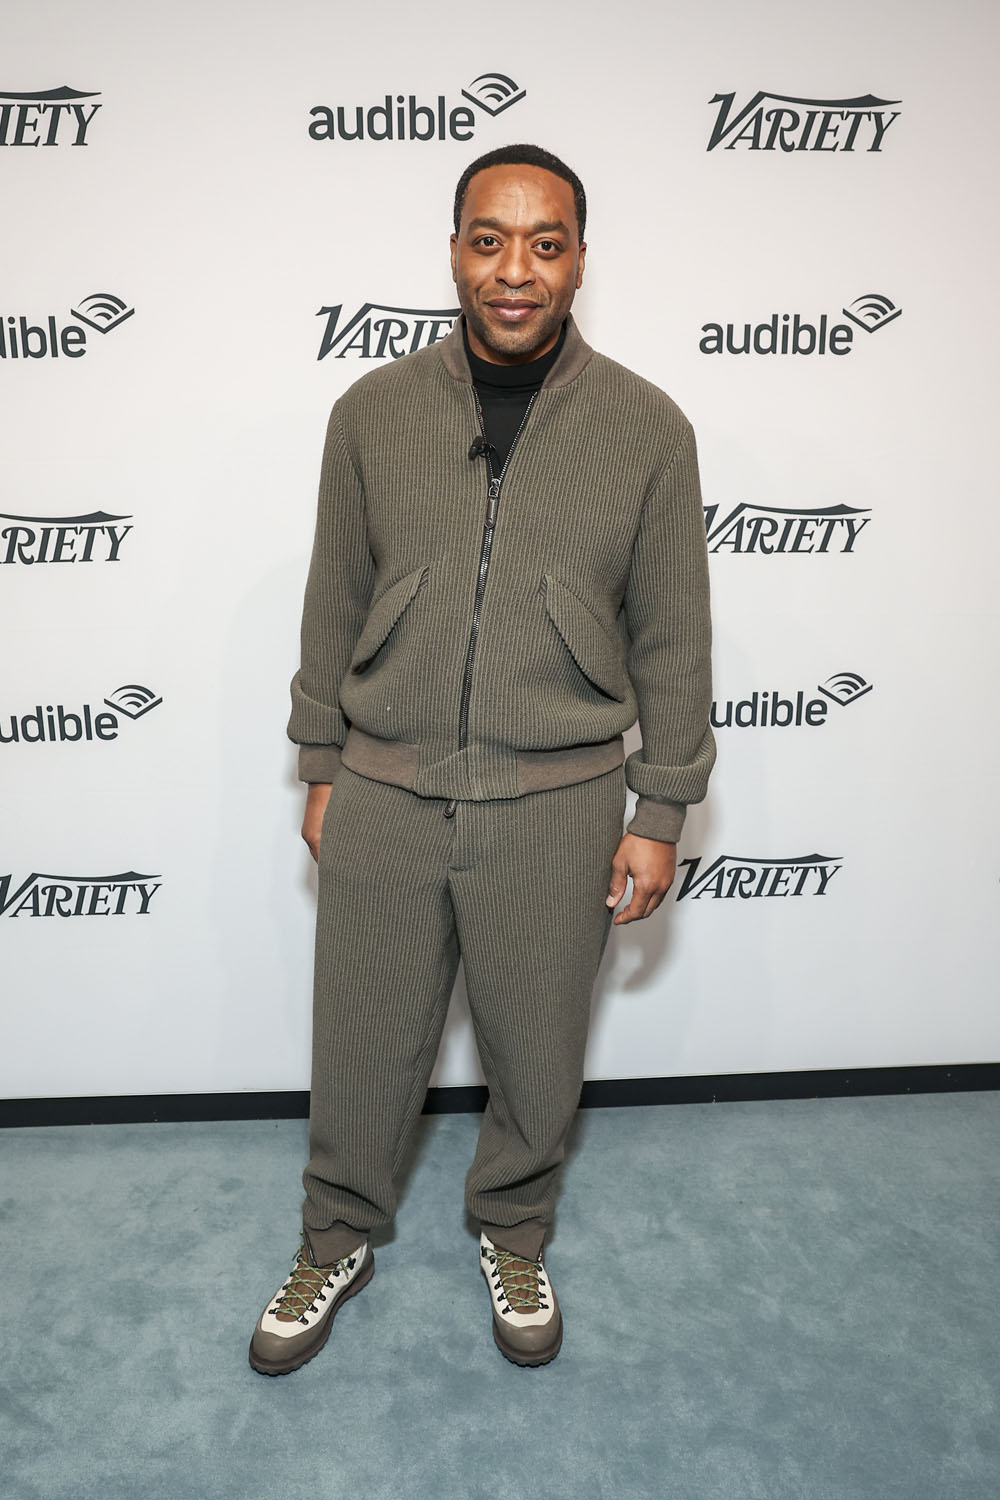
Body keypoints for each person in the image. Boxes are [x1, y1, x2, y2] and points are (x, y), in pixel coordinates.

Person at [249, 143, 715, 1375]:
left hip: (559, 799)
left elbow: (672, 635)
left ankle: (514, 1230)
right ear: (454, 252)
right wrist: (321, 760)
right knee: (361, 1044)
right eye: (490, 240)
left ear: (579, 261)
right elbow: (334, 597)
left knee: (537, 1051)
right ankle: (335, 1237)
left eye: (544, 244)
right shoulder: (372, 412)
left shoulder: (648, 429)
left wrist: (661, 807)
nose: (516, 270)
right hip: (386, 787)